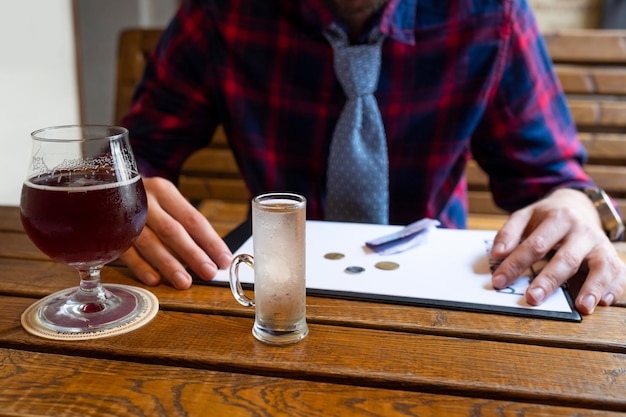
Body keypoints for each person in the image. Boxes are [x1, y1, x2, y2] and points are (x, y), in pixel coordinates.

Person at [120, 0, 626, 315]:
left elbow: (548, 178)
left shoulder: (492, 13)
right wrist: (124, 201)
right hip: (270, 293)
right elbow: (131, 160)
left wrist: (580, 209)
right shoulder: (219, 12)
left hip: (445, 298)